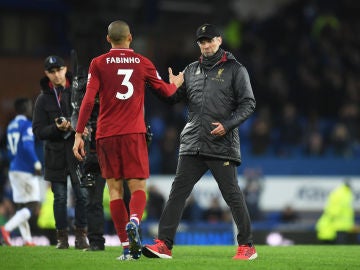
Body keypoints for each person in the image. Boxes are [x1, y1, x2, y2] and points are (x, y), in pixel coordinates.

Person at [142, 23, 258, 260]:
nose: (205, 45)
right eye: (201, 42)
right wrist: (167, 88)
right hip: (193, 142)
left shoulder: (236, 70)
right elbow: (174, 99)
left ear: (219, 40)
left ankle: (247, 246)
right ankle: (164, 244)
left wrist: (227, 124)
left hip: (221, 143)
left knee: (232, 195)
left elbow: (249, 103)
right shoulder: (191, 69)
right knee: (177, 193)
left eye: (209, 40)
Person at [72, 20, 184, 260]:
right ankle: (135, 220)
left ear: (108, 39)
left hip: (106, 135)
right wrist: (175, 84)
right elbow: (166, 93)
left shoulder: (98, 63)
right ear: (130, 38)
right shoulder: (143, 62)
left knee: (114, 191)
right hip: (134, 133)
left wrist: (78, 133)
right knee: (137, 188)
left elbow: (88, 100)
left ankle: (126, 247)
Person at [32, 55, 89, 250]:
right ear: (47, 74)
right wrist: (58, 128)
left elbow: (90, 118)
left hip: (78, 152)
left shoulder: (77, 92)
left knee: (82, 195)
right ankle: (62, 238)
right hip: (55, 154)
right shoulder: (42, 99)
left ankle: (81, 235)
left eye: (59, 70)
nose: (57, 75)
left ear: (65, 69)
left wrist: (76, 127)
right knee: (60, 198)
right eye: (52, 71)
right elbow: (38, 131)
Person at [0, 98, 42, 246]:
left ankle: (27, 240)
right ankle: (7, 228)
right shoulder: (26, 125)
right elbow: (27, 147)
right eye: (30, 106)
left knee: (21, 207)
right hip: (25, 169)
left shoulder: (10, 126)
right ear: (25, 108)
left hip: (13, 169)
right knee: (32, 204)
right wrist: (36, 163)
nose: (31, 109)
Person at [316, 180, 358, 244]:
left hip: (339, 222)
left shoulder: (341, 192)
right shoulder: (345, 193)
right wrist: (334, 215)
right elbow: (336, 207)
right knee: (340, 241)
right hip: (340, 222)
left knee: (338, 241)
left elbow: (334, 206)